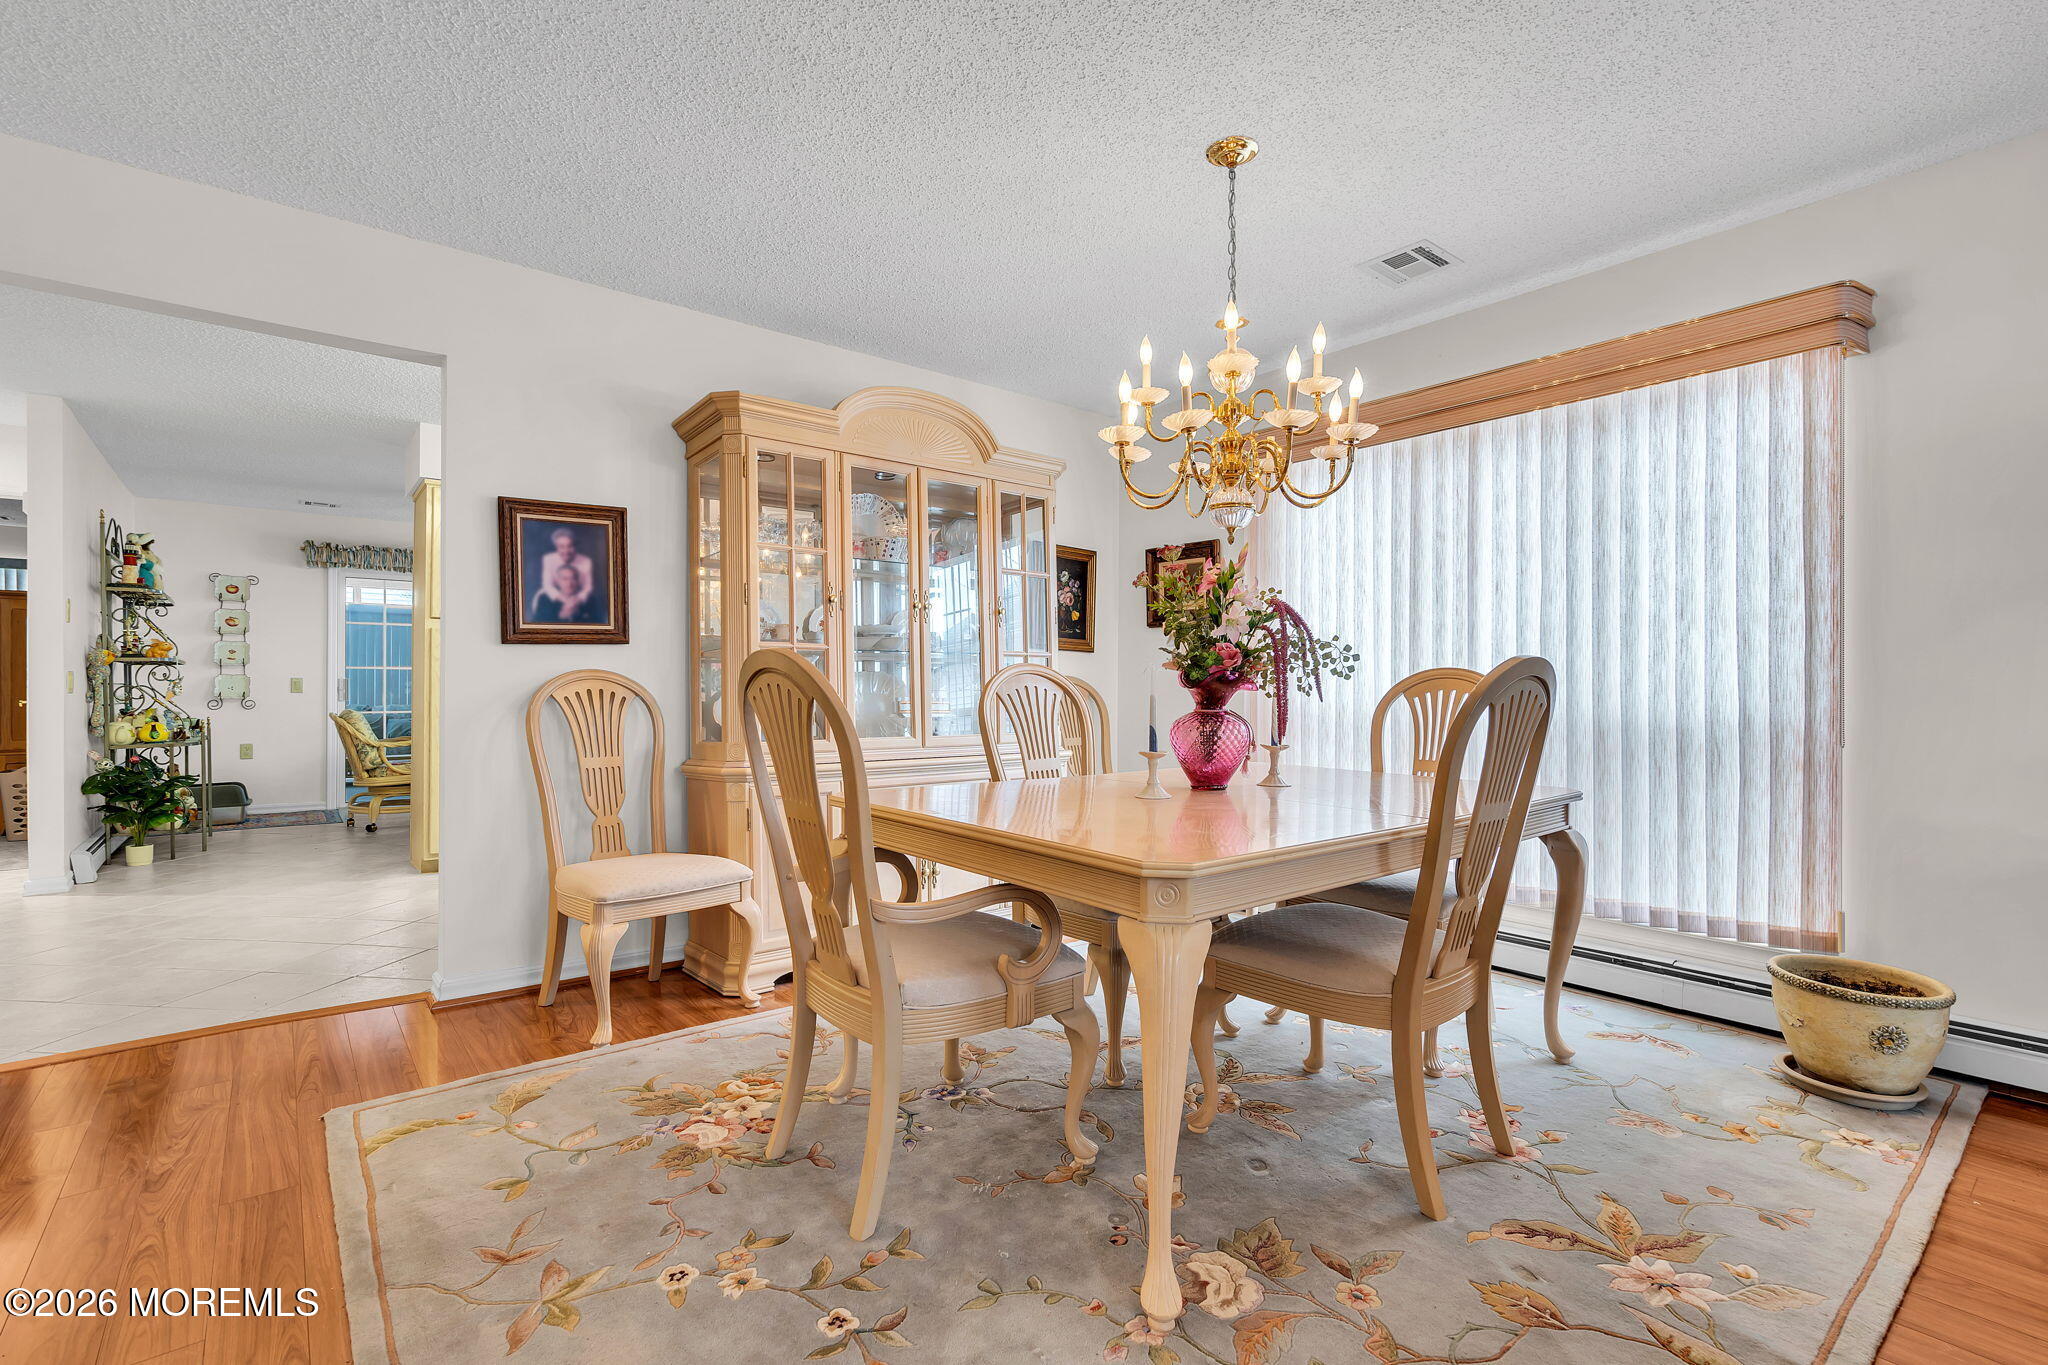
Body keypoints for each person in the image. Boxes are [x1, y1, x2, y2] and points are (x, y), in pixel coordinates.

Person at [532, 526, 596, 621]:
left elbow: (588, 587)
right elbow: (547, 585)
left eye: (570, 546)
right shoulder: (548, 559)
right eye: (561, 546)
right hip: (555, 595)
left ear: (575, 546)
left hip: (577, 596)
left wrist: (576, 601)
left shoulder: (586, 561)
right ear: (556, 547)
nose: (566, 551)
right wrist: (565, 600)